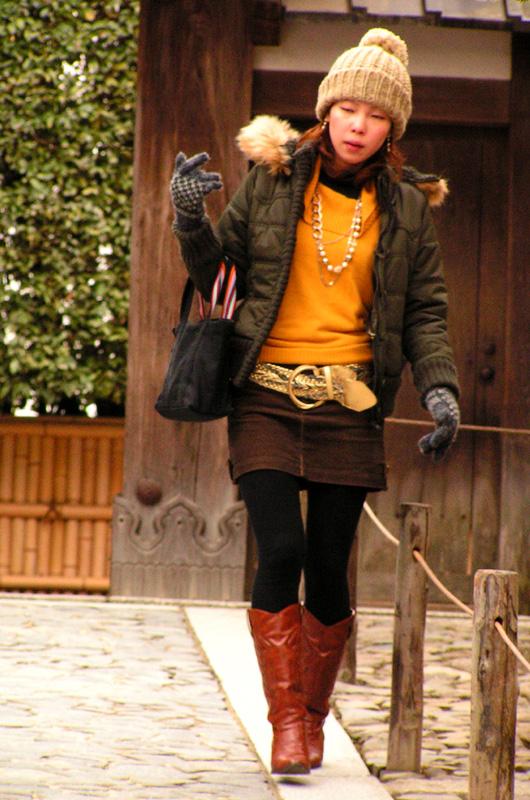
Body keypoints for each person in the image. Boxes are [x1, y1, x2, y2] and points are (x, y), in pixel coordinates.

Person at [169, 28, 460, 775]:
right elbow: (219, 279)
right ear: (325, 111)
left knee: (329, 568)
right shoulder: (269, 184)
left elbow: (425, 310)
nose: (358, 123)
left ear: (393, 125)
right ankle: (287, 726)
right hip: (264, 395)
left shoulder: (406, 209)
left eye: (375, 113)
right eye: (347, 108)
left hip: (349, 403)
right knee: (284, 549)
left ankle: (313, 713)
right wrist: (189, 218)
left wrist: (439, 389)